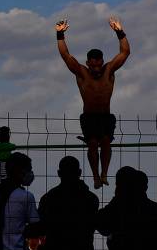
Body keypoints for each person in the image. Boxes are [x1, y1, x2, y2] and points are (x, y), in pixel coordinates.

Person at [55, 16, 130, 189]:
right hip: (89, 116)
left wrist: (119, 31)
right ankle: (96, 176)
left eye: (98, 65)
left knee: (105, 142)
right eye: (93, 65)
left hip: (105, 115)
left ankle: (104, 174)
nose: (96, 69)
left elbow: (125, 52)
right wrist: (60, 35)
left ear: (102, 62)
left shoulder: (109, 70)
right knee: (93, 143)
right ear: (88, 63)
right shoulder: (82, 72)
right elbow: (65, 55)